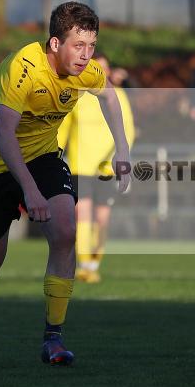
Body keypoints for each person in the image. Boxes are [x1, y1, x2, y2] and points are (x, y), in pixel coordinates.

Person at [0, 2, 131, 366]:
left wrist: (123, 149)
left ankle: (54, 337)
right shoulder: (23, 68)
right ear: (55, 43)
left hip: (42, 158)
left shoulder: (85, 71)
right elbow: (4, 135)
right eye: (78, 45)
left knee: (66, 230)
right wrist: (30, 190)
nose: (86, 55)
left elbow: (109, 96)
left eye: (91, 46)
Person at [58, 54, 136, 284]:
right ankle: (84, 265)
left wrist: (119, 158)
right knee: (81, 215)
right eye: (95, 68)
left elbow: (128, 130)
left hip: (106, 168)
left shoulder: (118, 95)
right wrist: (52, 154)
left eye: (104, 68)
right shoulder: (76, 95)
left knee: (102, 218)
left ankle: (94, 262)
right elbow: (62, 129)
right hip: (80, 164)